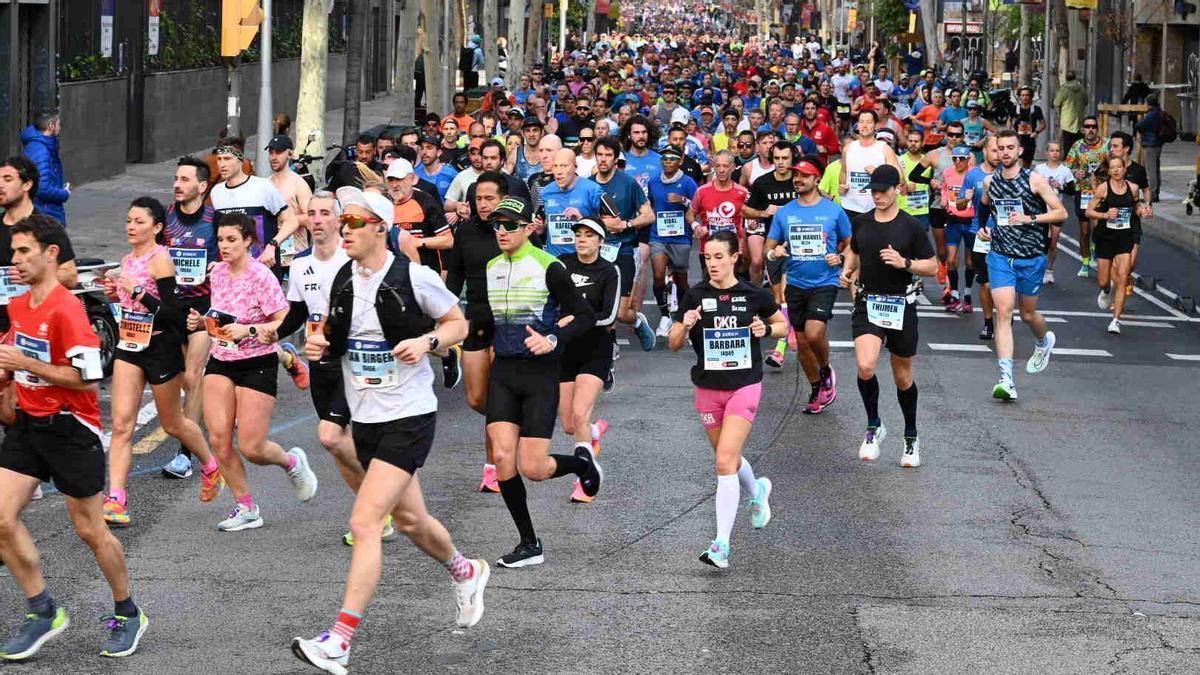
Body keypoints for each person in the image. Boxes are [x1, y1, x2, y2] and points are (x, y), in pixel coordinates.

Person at [291, 181, 487, 675]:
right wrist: (318, 347)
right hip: (367, 417)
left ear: (381, 227)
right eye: (342, 220)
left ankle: (340, 640)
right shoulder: (343, 280)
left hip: (410, 415)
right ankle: (466, 570)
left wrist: (427, 341)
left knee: (365, 523)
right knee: (411, 522)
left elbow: (458, 324)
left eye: (353, 221)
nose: (343, 228)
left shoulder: (415, 277)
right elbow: (333, 337)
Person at [0, 215, 147, 660]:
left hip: (71, 428)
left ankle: (128, 612)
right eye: (14, 251)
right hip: (29, 424)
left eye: (25, 251)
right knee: (1, 518)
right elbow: (13, 353)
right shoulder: (20, 305)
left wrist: (29, 363)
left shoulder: (67, 309)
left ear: (51, 254)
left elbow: (87, 378)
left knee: (91, 530)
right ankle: (42, 610)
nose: (15, 259)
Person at [484, 196, 601, 568]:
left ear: (529, 227)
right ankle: (529, 543)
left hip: (540, 373)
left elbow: (584, 315)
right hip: (503, 371)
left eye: (509, 225)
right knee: (503, 456)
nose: (501, 231)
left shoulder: (549, 266)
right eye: (496, 224)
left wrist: (552, 339)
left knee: (533, 468)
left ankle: (583, 465)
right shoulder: (490, 266)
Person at [185, 213, 319, 531]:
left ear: (248, 241)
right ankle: (245, 507)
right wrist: (200, 321)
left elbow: (283, 321)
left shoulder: (261, 276)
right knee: (218, 437)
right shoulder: (216, 273)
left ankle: (292, 462)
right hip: (221, 360)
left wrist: (248, 330)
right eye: (220, 239)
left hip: (257, 361)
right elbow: (219, 315)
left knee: (252, 447)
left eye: (232, 239)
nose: (224, 246)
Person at [99, 198, 221, 527]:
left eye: (139, 221)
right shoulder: (126, 260)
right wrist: (116, 293)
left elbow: (174, 313)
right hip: (129, 343)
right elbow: (127, 300)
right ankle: (117, 500)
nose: (130, 227)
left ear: (156, 228)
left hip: (160, 345)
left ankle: (210, 465)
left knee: (173, 423)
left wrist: (139, 293)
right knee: (122, 425)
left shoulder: (161, 260)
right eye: (128, 220)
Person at [668, 230, 784, 569]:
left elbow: (783, 328)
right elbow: (674, 344)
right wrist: (684, 325)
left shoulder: (754, 294)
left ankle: (721, 544)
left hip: (744, 385)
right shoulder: (695, 295)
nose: (713, 263)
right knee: (728, 459)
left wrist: (766, 329)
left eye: (719, 257)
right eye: (707, 258)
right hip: (708, 387)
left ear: (735, 257)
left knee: (723, 462)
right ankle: (758, 491)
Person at [838, 165, 937, 466]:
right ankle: (873, 426)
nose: (878, 195)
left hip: (901, 305)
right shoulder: (863, 222)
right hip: (868, 302)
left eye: (883, 190)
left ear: (897, 189)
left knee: (902, 376)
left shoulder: (911, 227)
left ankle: (910, 436)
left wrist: (904, 262)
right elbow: (854, 250)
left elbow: (931, 266)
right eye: (874, 190)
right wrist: (847, 270)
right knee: (866, 366)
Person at [979, 130, 1068, 401]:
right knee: (1003, 313)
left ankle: (1043, 341)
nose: (1005, 152)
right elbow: (984, 208)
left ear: (1019, 152)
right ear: (994, 152)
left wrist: (1030, 218)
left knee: (1028, 314)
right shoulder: (989, 182)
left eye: (1010, 148)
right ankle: (1006, 378)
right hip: (1001, 255)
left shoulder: (1034, 180)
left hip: (1031, 257)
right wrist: (983, 229)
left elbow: (1061, 213)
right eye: (1000, 148)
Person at [765, 155, 850, 414]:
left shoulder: (833, 210)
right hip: (796, 283)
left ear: (816, 179)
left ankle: (825, 369)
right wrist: (775, 253)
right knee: (801, 343)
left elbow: (850, 243)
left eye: (803, 175)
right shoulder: (786, 212)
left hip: (825, 281)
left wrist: (841, 257)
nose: (798, 179)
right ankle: (816, 388)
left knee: (814, 333)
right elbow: (769, 247)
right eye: (796, 175)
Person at [446, 172, 509, 493]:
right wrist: (442, 312)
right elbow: (455, 277)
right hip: (476, 319)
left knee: (497, 396)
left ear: (503, 199)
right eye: (479, 199)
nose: (483, 204)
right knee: (476, 398)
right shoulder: (466, 232)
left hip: (509, 321)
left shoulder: (513, 230)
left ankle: (493, 467)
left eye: (490, 198)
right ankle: (511, 420)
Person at [558, 218, 620, 502]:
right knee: (571, 425)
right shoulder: (561, 264)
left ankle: (585, 482)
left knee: (580, 413)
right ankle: (593, 433)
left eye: (589, 235)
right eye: (578, 235)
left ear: (600, 241)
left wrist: (575, 320)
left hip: (596, 348)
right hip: (565, 349)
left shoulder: (609, 271)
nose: (582, 240)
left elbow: (609, 316)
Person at [591, 136, 657, 352]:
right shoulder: (588, 184)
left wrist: (625, 224)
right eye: (599, 154)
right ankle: (608, 348)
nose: (603, 159)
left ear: (615, 158)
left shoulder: (628, 183)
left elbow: (649, 215)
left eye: (608, 155)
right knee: (601, 305)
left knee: (621, 312)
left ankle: (637, 321)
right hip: (597, 252)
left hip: (624, 250)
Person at [1085, 156, 1150, 334]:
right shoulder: (1103, 189)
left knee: (1123, 277)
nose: (1115, 170)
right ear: (1109, 171)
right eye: (1112, 167)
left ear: (1124, 169)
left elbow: (1135, 206)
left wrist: (1142, 210)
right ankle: (1106, 291)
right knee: (1103, 281)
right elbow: (1089, 211)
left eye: (1118, 167)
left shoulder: (1133, 188)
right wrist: (1105, 215)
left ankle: (1116, 320)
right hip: (1105, 237)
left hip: (1124, 237)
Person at [647, 146, 699, 338]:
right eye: (664, 158)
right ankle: (664, 315)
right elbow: (648, 204)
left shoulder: (688, 182)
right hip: (658, 236)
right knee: (659, 274)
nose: (667, 161)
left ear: (680, 161)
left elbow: (696, 207)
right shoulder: (653, 182)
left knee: (681, 281)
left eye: (672, 158)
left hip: (680, 237)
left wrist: (683, 200)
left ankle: (683, 315)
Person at [959, 136, 1001, 340]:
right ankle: (988, 323)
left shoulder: (1008, 175)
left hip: (1005, 236)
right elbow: (958, 204)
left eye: (1001, 150)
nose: (998, 154)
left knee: (1002, 283)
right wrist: (964, 200)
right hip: (981, 234)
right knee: (985, 283)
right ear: (984, 152)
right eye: (994, 150)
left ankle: (1004, 317)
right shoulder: (972, 175)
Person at [1106, 131, 1152, 295]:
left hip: (1131, 220)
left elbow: (1146, 190)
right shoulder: (1107, 167)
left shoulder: (1138, 170)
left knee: (1130, 263)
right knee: (1117, 263)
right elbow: (1096, 185)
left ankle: (1126, 277)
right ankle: (1116, 296)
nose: (1112, 149)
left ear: (1126, 149)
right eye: (1111, 146)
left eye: (1115, 146)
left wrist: (1147, 205)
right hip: (1111, 221)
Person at [538, 149, 604, 259]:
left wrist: (582, 220)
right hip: (554, 259)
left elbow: (611, 225)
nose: (559, 171)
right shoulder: (546, 192)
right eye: (555, 166)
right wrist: (541, 229)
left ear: (575, 166)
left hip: (583, 259)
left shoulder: (593, 189)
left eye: (564, 166)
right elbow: (547, 221)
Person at [840, 110, 904, 218]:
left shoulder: (884, 149)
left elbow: (900, 178)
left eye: (869, 122)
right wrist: (842, 187)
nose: (864, 125)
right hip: (850, 207)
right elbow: (844, 173)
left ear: (875, 125)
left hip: (876, 206)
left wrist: (878, 172)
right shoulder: (848, 148)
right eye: (861, 122)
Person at [1064, 116, 1107, 277]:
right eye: (1087, 126)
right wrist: (1076, 172)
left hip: (1101, 192)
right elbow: (1066, 166)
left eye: (1093, 127)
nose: (1090, 130)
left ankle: (1096, 249)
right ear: (1083, 129)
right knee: (1084, 231)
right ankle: (1085, 263)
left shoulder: (1106, 145)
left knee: (1098, 227)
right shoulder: (1077, 146)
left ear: (1097, 128)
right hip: (1083, 192)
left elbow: (1116, 163)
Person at [940, 146, 977, 314]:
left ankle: (968, 294)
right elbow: (944, 189)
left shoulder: (974, 174)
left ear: (968, 159)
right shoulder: (948, 173)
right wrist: (944, 200)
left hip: (971, 221)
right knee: (951, 259)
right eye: (954, 159)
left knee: (970, 261)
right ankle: (955, 295)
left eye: (961, 159)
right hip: (953, 220)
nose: (957, 162)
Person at [1032, 143, 1074, 285]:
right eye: (1052, 150)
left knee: (1053, 243)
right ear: (1046, 153)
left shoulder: (1065, 171)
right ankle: (1039, 269)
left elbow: (1072, 190)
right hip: (1042, 211)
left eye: (1057, 150)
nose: (1055, 153)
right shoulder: (1039, 169)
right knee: (1042, 241)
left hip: (1057, 211)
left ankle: (1049, 270)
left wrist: (1060, 186)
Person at [19, 110, 68, 225]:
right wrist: (64, 193)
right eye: (58, 124)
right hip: (45, 213)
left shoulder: (37, 146)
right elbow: (42, 188)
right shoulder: (41, 151)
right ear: (51, 126)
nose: (59, 127)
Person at [1134, 94, 1165, 203]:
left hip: (1150, 145)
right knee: (1156, 169)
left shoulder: (1151, 114)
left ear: (1148, 103)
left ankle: (1152, 195)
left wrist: (1141, 131)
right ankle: (1156, 193)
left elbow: (1139, 125)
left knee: (1151, 170)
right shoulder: (1159, 112)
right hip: (1158, 144)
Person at [1053, 72, 1089, 155]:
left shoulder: (1064, 89)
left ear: (1066, 78)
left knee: (1068, 144)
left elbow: (1056, 103)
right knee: (1079, 143)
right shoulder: (1082, 89)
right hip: (1079, 120)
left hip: (1067, 121)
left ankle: (1068, 162)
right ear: (1075, 77)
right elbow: (1086, 101)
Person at [1012, 87, 1046, 169]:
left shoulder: (1036, 109)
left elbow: (1043, 124)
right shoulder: (1015, 108)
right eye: (1022, 95)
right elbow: (1009, 120)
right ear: (1019, 97)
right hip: (1018, 139)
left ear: (1031, 96)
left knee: (1027, 164)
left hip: (1030, 140)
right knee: (1018, 163)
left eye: (1027, 95)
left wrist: (1036, 132)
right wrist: (1010, 131)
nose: (1025, 97)